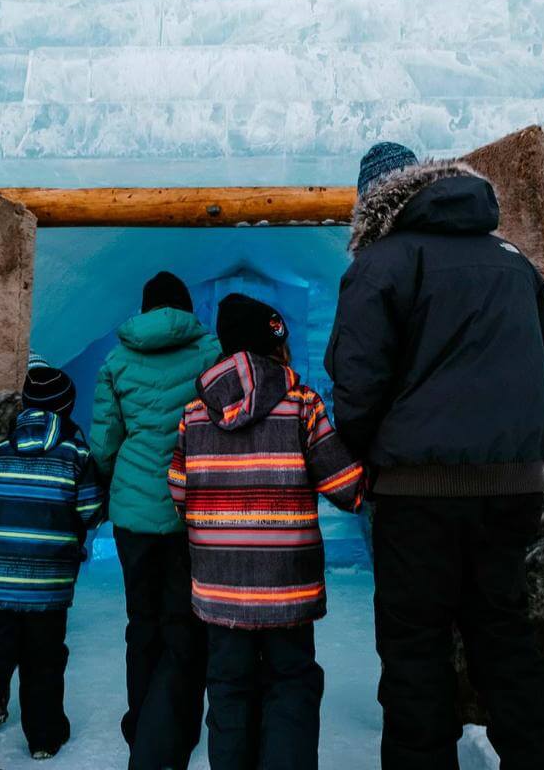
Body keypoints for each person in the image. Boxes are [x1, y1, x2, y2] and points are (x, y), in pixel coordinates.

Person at [325, 142, 544, 769]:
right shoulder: (512, 261)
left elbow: (356, 386)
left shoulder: (381, 264)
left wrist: (367, 456)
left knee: (416, 650)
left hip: (419, 496)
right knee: (505, 639)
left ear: (373, 203)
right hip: (513, 490)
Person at [170, 293, 364, 770]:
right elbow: (346, 487)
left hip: (219, 588)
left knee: (228, 689)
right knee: (290, 685)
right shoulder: (302, 404)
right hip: (287, 587)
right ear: (275, 345)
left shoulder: (194, 413)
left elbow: (179, 491)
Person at [0, 365, 106, 769]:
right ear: (66, 408)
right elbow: (91, 513)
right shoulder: (76, 456)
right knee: (44, 659)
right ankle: (44, 737)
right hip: (47, 586)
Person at [89, 271, 222, 770]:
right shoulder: (211, 352)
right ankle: (178, 733)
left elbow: (105, 442)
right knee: (184, 625)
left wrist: (113, 483)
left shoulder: (117, 360)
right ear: (186, 307)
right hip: (191, 510)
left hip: (133, 515)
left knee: (142, 622)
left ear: (144, 308)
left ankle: (141, 726)